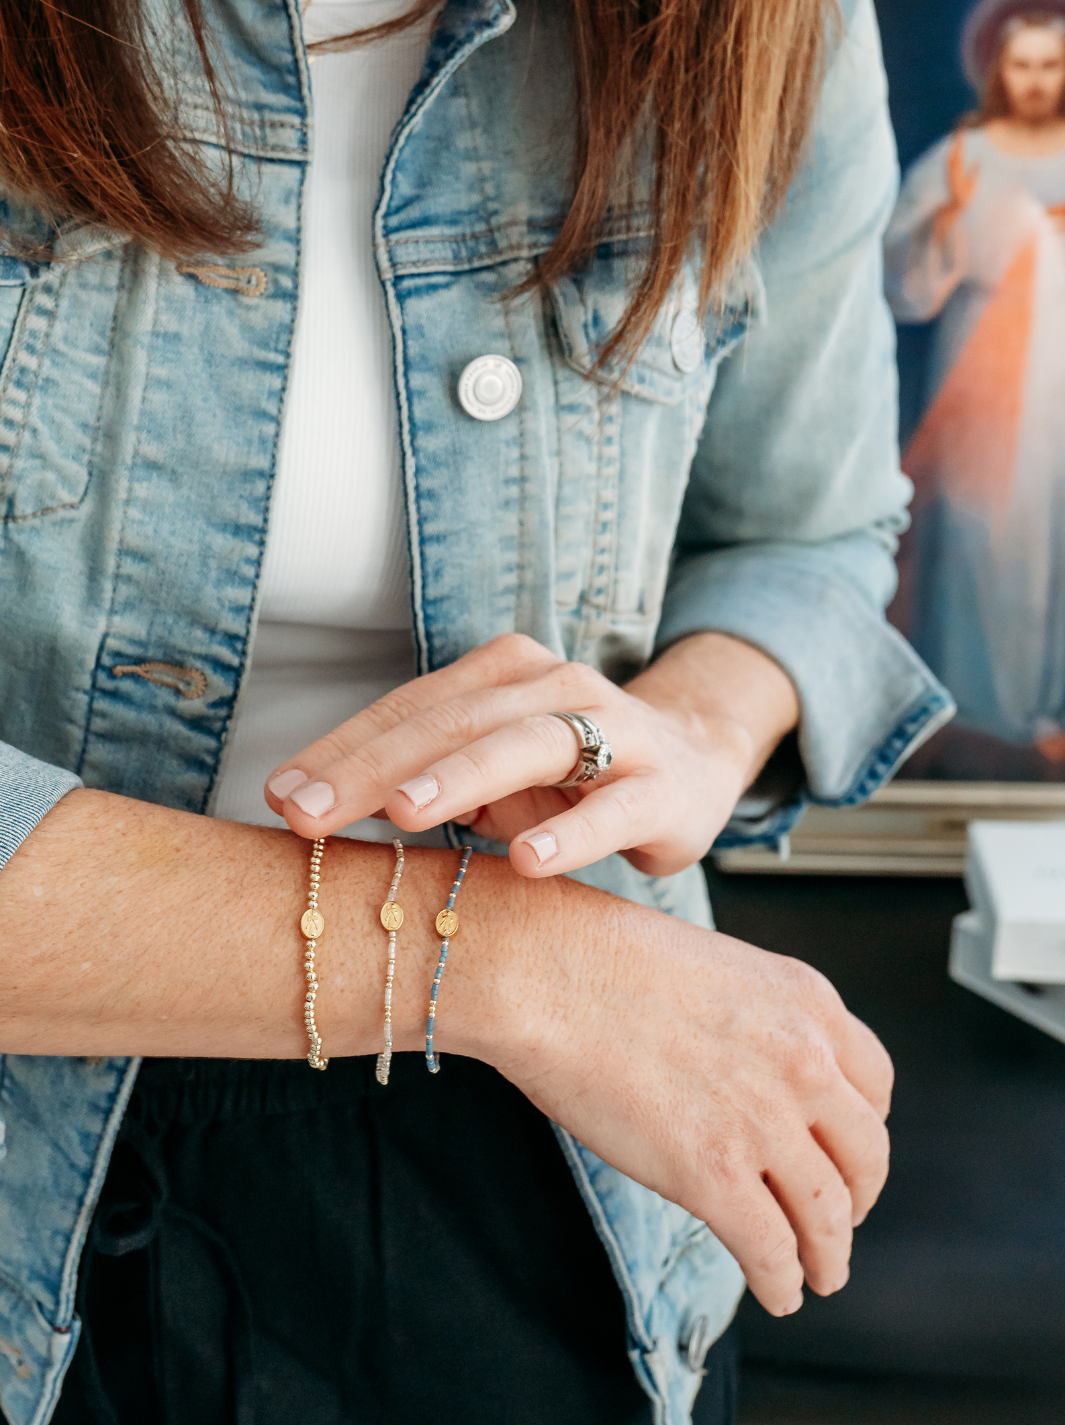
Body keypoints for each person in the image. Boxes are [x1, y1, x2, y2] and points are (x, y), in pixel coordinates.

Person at [0, 0, 948, 1419]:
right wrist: (496, 963)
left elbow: (807, 535)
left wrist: (692, 722)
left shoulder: (766, 27)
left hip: (568, 1165)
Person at [885, 1, 1065, 778]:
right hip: (981, 393)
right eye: (1020, 66)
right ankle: (979, 718)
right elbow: (904, 284)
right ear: (998, 70)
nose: (1033, 83)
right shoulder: (963, 159)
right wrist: (961, 231)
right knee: (977, 545)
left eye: (1048, 67)